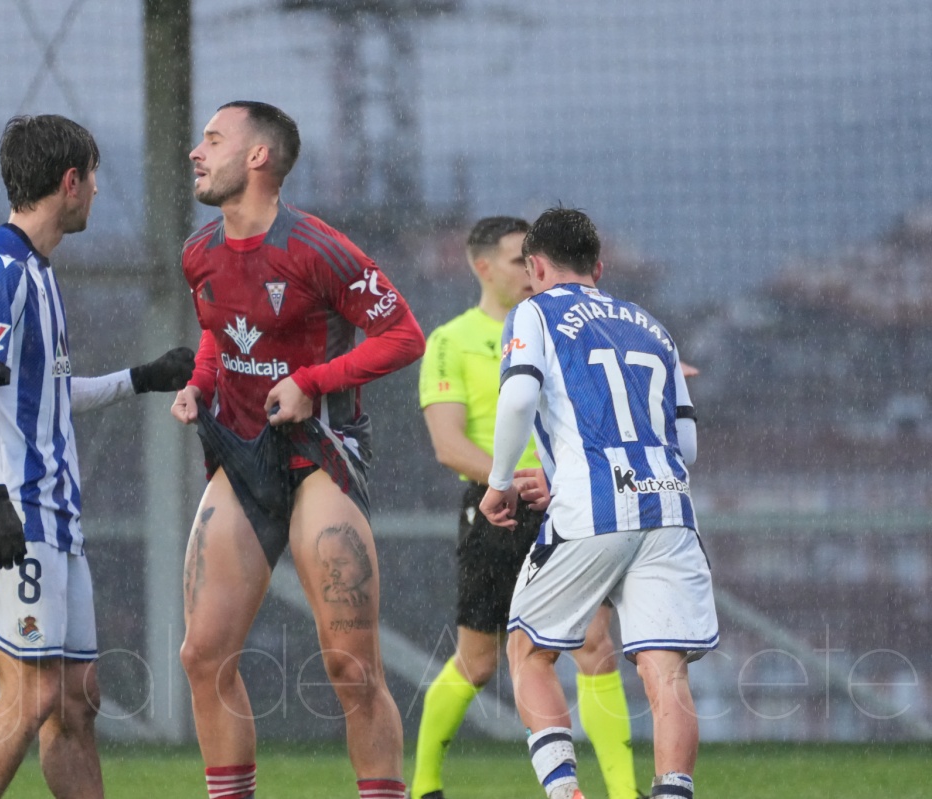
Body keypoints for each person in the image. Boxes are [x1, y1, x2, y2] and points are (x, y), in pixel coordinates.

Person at [0, 114, 195, 799]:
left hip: (50, 512)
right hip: (10, 507)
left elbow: (42, 398)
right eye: (94, 177)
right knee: (31, 695)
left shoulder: (35, 272)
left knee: (76, 699)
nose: (99, 191)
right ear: (70, 181)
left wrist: (140, 378)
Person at [170, 100, 425, 799]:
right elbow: (219, 333)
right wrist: (199, 384)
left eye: (213, 139)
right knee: (202, 655)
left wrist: (312, 383)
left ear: (257, 157)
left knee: (350, 666)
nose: (196, 152)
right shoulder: (198, 253)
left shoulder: (318, 248)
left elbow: (404, 335)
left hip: (320, 455)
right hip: (240, 457)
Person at [480, 208, 717, 799]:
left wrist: (500, 480)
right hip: (668, 508)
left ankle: (566, 793)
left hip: (594, 508)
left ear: (535, 267)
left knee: (529, 651)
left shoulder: (534, 312)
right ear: (599, 268)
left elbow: (518, 400)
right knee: (665, 672)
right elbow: (686, 445)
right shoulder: (653, 327)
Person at [413, 216, 641, 799]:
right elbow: (447, 444)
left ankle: (622, 792)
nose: (529, 270)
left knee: (594, 645)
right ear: (482, 267)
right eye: (518, 260)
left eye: (531, 260)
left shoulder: (562, 328)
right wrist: (509, 480)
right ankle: (423, 786)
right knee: (478, 661)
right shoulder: (451, 341)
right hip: (496, 508)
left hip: (568, 503)